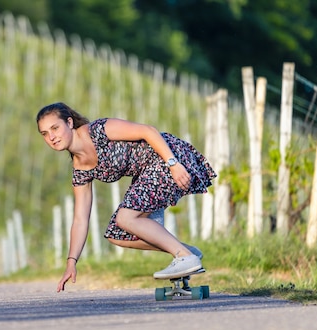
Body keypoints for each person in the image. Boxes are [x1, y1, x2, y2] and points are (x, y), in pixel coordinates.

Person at [35, 102, 217, 292]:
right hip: (146, 174)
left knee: (125, 218)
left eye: (55, 128)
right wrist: (71, 262)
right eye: (45, 134)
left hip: (167, 157)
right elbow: (80, 219)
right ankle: (186, 252)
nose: (51, 137)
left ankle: (184, 256)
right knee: (117, 234)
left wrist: (173, 163)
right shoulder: (80, 170)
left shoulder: (98, 131)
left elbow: (148, 131)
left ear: (69, 123)